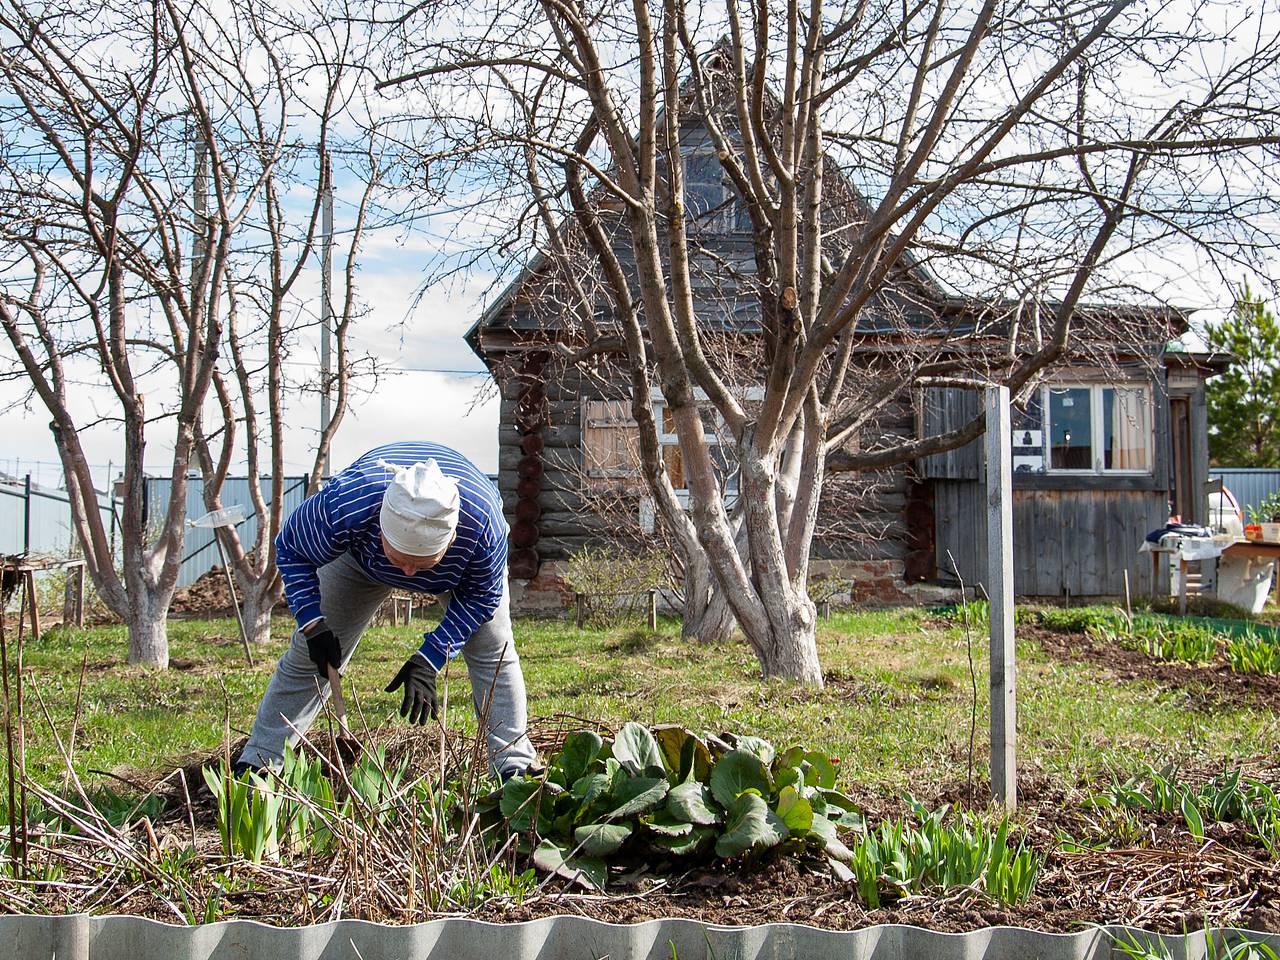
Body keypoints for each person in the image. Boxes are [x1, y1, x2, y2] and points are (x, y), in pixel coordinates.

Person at [235, 441, 536, 780]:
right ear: (381, 526)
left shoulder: (484, 529)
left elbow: (482, 597)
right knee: (311, 657)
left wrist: (432, 656)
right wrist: (312, 623)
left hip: (459, 574)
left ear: (450, 540)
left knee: (493, 651)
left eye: (421, 563)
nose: (408, 575)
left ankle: (515, 768)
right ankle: (260, 762)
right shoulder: (349, 502)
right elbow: (291, 550)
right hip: (360, 561)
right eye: (399, 558)